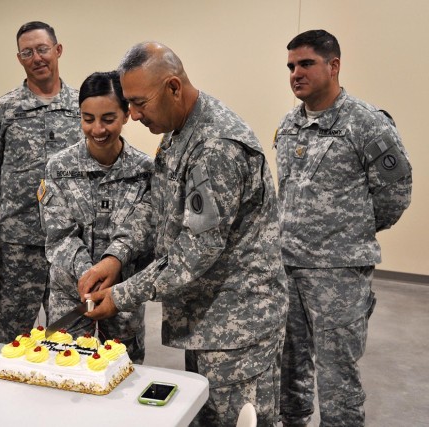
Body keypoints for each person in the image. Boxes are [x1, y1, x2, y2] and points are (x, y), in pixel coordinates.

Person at [83, 42, 288, 426]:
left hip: (238, 328)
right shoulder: (179, 131)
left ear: (174, 87)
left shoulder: (216, 146)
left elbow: (196, 251)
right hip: (207, 319)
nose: (134, 114)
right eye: (129, 103)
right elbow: (156, 206)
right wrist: (116, 257)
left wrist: (121, 295)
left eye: (140, 103)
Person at [274, 30, 412, 426]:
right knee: (288, 371)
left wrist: (348, 235)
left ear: (333, 66)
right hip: (288, 268)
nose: (295, 73)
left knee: (338, 379)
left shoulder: (367, 123)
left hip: (338, 273)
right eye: (290, 66)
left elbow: (395, 194)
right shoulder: (289, 126)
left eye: (305, 64)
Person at [0, 21, 83, 343]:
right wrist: (4, 200)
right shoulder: (5, 109)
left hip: (69, 242)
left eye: (43, 49)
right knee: (12, 338)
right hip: (17, 244)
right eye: (27, 52)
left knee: (69, 336)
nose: (37, 58)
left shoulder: (81, 108)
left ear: (58, 50)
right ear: (20, 58)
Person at [39, 71, 154, 363]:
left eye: (108, 118)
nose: (97, 129)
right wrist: (88, 277)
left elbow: (142, 230)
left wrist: (112, 264)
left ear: (126, 114)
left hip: (122, 296)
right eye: (88, 119)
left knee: (123, 374)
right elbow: (60, 234)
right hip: (70, 295)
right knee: (66, 369)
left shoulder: (145, 171)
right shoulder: (59, 167)